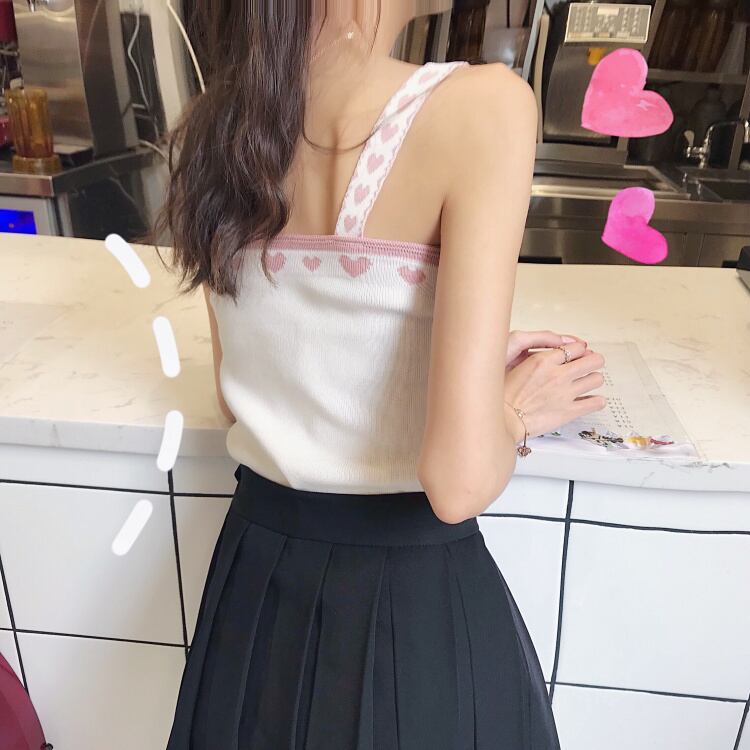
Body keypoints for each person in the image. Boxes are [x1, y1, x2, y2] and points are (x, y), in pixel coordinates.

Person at [154, 1, 607, 747]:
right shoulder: (483, 105)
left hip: (255, 592)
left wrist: (426, 357)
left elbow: (246, 396)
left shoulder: (215, 124)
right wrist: (512, 409)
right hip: (406, 606)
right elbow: (458, 483)